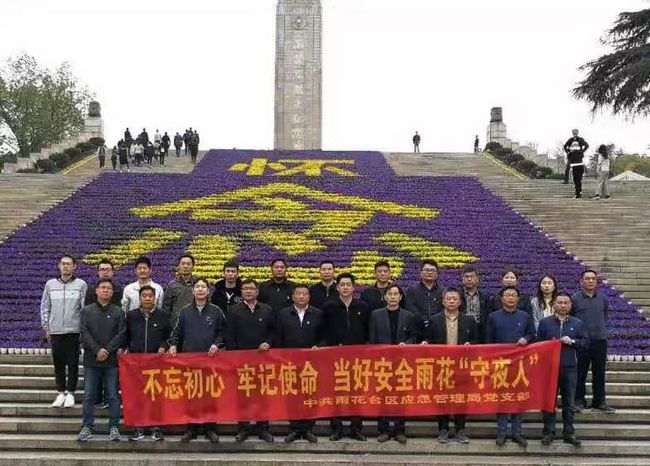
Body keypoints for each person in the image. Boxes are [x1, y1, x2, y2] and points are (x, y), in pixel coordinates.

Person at [168, 278, 226, 443]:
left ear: (208, 291)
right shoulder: (185, 311)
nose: (200, 289)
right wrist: (172, 344)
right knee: (191, 395)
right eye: (197, 287)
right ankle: (191, 428)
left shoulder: (216, 311)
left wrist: (217, 344)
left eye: (203, 287)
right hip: (189, 360)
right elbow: (177, 332)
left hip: (210, 360)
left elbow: (222, 332)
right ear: (193, 291)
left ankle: (210, 428)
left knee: (209, 395)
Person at [321, 273, 370, 441]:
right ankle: (337, 428)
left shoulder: (363, 307)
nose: (345, 287)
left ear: (353, 287)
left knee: (357, 393)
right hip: (335, 358)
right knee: (336, 393)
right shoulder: (329, 307)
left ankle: (356, 428)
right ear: (337, 287)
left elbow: (367, 331)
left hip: (358, 359)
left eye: (349, 284)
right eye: (342, 284)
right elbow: (324, 331)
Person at [226, 279, 275, 443]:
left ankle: (263, 428)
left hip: (263, 360)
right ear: (241, 292)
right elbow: (229, 336)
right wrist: (233, 358)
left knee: (263, 396)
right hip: (241, 362)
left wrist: (269, 342)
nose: (248, 291)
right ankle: (243, 428)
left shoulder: (267, 310)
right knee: (243, 396)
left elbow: (274, 332)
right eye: (245, 289)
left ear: (257, 291)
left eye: (251, 289)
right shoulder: (233, 310)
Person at [486, 286, 535, 447]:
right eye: (507, 295)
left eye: (513, 295)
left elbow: (532, 335)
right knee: (502, 399)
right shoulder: (493, 317)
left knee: (518, 399)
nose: (510, 298)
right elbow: (489, 341)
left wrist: (526, 339)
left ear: (518, 298)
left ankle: (516, 432)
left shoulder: (525, 316)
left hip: (520, 364)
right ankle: (501, 433)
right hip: (500, 364)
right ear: (502, 298)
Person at [428, 287, 478, 444]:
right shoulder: (434, 320)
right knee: (442, 398)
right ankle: (443, 429)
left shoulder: (469, 320)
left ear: (460, 301)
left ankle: (460, 430)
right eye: (448, 298)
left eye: (454, 299)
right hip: (441, 366)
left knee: (460, 399)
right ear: (443, 301)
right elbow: (427, 340)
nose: (451, 301)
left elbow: (478, 340)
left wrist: (471, 344)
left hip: (461, 366)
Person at [369, 284, 418, 444]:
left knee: (400, 397)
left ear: (400, 297)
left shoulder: (408, 316)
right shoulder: (376, 315)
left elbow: (413, 338)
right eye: (390, 294)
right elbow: (372, 339)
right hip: (382, 362)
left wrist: (407, 344)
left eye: (396, 294)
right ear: (385, 297)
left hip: (401, 363)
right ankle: (383, 429)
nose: (392, 297)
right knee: (382, 396)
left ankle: (399, 430)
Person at [276, 285, 325, 443]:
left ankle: (308, 428)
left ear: (309, 297)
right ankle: (295, 428)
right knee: (292, 396)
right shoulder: (283, 314)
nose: (301, 297)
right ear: (293, 296)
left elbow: (324, 336)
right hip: (289, 363)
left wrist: (320, 345)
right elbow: (278, 337)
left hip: (312, 364)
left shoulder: (318, 314)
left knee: (310, 395)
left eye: (305, 294)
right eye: (298, 294)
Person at [78, 279, 125, 442]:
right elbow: (84, 333)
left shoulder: (119, 312)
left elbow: (121, 335)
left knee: (112, 395)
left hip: (111, 361)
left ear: (112, 292)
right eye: (102, 287)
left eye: (109, 288)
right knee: (89, 395)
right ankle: (87, 427)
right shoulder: (87, 311)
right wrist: (97, 350)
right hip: (92, 360)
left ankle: (113, 427)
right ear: (96, 291)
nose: (106, 290)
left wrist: (107, 350)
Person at [537, 292, 586, 447]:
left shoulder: (578, 323)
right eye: (560, 302)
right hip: (549, 369)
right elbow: (538, 344)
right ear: (554, 305)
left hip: (569, 368)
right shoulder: (545, 323)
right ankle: (549, 432)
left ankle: (568, 433)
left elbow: (585, 343)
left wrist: (572, 341)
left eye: (566, 303)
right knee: (549, 402)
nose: (563, 305)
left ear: (570, 306)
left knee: (569, 403)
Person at [124, 285, 171, 442]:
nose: (148, 298)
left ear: (155, 298)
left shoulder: (163, 316)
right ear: (140, 298)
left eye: (150, 295)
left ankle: (157, 427)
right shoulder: (131, 316)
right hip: (136, 364)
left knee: (156, 397)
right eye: (144, 295)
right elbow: (126, 336)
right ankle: (138, 428)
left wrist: (163, 346)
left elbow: (169, 336)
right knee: (138, 396)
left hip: (157, 363)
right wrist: (124, 350)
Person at [40, 255, 88, 409]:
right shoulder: (50, 284)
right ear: (59, 266)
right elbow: (45, 307)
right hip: (56, 331)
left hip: (73, 330)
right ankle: (61, 392)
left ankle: (71, 393)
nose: (66, 266)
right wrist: (46, 328)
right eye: (63, 264)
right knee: (58, 362)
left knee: (73, 363)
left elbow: (83, 309)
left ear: (74, 266)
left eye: (69, 264)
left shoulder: (81, 285)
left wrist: (82, 330)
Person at [572, 270, 615, 413]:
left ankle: (599, 402)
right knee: (580, 373)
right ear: (581, 281)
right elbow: (572, 320)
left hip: (600, 341)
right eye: (587, 279)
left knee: (599, 373)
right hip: (581, 342)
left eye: (593, 279)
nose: (590, 281)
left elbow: (605, 316)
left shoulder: (603, 298)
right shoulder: (575, 299)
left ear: (596, 282)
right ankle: (579, 401)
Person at [406, 259, 443, 341]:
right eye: (426, 270)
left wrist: (434, 320)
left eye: (432, 270)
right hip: (417, 330)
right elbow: (410, 308)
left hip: (438, 329)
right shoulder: (412, 290)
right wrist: (424, 319)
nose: (429, 272)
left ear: (437, 274)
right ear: (421, 273)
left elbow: (444, 309)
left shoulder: (443, 291)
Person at [458, 266, 494, 342]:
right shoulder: (457, 295)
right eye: (466, 277)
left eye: (472, 276)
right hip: (461, 329)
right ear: (463, 279)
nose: (469, 279)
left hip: (480, 331)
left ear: (477, 279)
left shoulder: (485, 297)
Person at [163, 254, 198, 329]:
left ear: (193, 266)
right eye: (183, 264)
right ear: (178, 266)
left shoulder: (198, 285)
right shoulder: (171, 286)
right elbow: (166, 309)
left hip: (195, 325)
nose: (185, 266)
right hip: (176, 326)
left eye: (188, 264)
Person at [563, 129, 589, 198]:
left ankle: (578, 191)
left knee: (578, 177)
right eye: (573, 132)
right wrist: (568, 152)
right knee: (569, 170)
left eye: (576, 132)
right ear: (572, 133)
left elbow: (587, 145)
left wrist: (582, 151)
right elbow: (565, 146)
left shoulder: (580, 139)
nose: (574, 133)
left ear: (577, 133)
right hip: (572, 158)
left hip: (578, 158)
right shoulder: (570, 140)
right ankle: (567, 181)